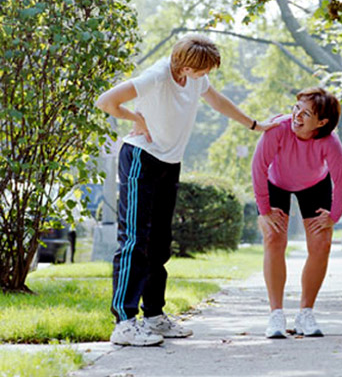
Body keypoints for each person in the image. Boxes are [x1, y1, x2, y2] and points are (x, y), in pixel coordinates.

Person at [95, 34, 277, 346]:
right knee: (135, 239)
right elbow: (106, 101)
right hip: (141, 156)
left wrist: (254, 124)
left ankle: (153, 316)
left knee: (160, 243)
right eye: (202, 70)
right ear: (185, 65)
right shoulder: (157, 76)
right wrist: (136, 117)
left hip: (169, 161)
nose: (205, 76)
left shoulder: (195, 79)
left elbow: (218, 101)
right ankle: (124, 323)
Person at [251, 87, 342, 339]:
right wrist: (264, 210)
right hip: (275, 182)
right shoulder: (277, 129)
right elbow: (258, 167)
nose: (297, 116)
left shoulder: (330, 142)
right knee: (274, 239)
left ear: (322, 122)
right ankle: (276, 315)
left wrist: (333, 216)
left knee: (321, 243)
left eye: (306, 113)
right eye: (296, 108)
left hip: (314, 184)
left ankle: (305, 312)